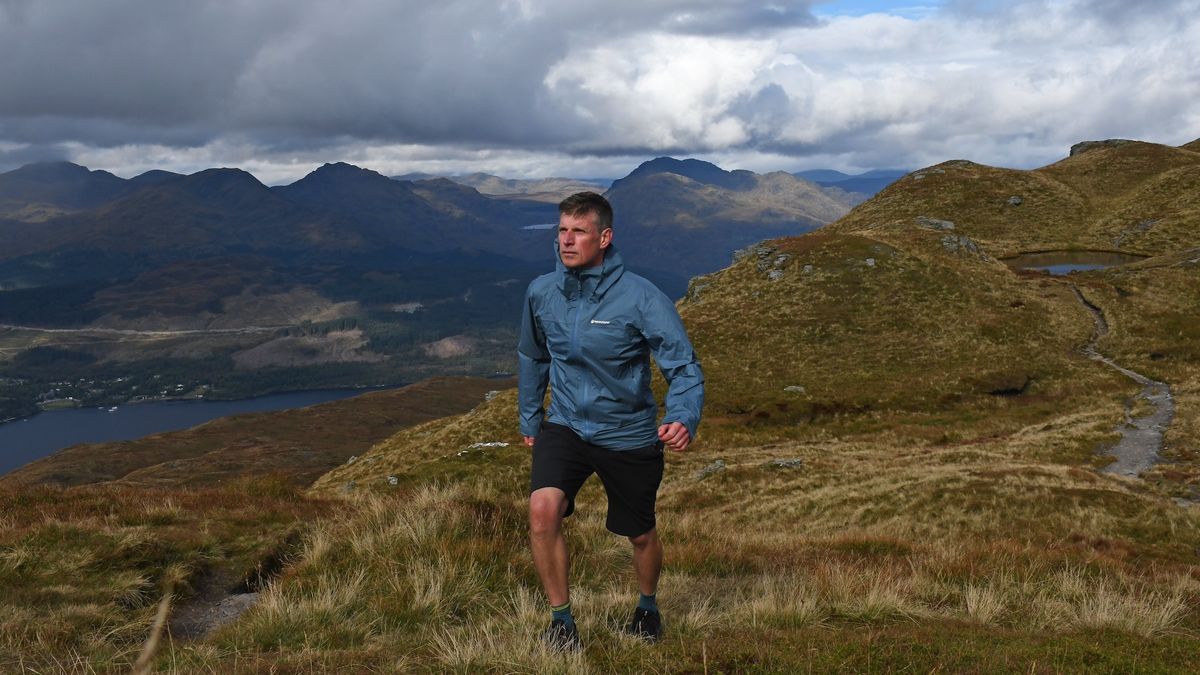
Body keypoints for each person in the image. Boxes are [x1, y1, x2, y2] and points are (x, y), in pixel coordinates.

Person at [518, 191, 704, 651]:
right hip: (564, 425)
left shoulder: (641, 297)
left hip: (626, 431)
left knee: (639, 533)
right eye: (561, 230)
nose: (566, 240)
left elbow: (683, 366)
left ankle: (647, 607)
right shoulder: (542, 291)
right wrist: (530, 417)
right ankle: (562, 624)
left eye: (578, 231)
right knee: (543, 512)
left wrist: (682, 415)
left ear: (604, 237)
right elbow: (532, 354)